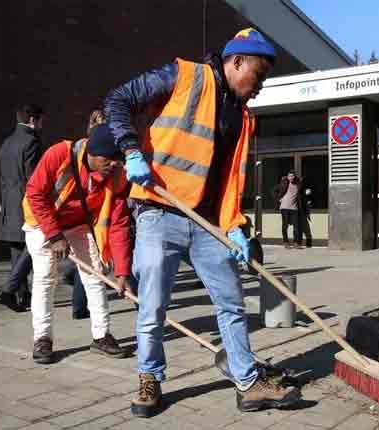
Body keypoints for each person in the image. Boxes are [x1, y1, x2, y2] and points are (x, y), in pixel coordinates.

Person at [105, 28, 301, 417]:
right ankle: (149, 379)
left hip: (207, 222)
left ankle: (247, 383)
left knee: (231, 302)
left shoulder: (243, 117)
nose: (260, 86)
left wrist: (234, 226)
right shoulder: (184, 76)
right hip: (159, 209)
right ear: (236, 61)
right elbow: (117, 100)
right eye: (258, 76)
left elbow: (230, 179)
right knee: (154, 304)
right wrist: (130, 149)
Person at [22, 124, 132, 364]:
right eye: (109, 158)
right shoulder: (59, 154)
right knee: (45, 278)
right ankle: (43, 338)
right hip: (41, 222)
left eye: (118, 158)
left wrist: (122, 272)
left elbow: (118, 224)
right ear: (91, 153)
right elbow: (35, 193)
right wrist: (54, 235)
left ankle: (101, 336)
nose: (114, 163)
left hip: (77, 224)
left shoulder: (117, 176)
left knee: (95, 274)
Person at [0, 104, 44, 312]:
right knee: (34, 245)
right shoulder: (31, 142)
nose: (42, 124)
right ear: (33, 120)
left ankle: (22, 296)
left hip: (8, 203)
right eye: (41, 120)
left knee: (18, 248)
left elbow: (4, 177)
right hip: (26, 203)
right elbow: (33, 178)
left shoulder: (6, 143)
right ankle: (11, 289)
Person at [67, 108, 111, 321]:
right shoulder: (72, 154)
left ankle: (99, 329)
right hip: (70, 221)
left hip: (87, 221)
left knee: (91, 269)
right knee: (45, 278)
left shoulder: (109, 168)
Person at [273, 170, 305, 249]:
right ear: (287, 177)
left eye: (292, 176)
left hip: (294, 208)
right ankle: (286, 242)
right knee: (285, 225)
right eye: (290, 176)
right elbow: (273, 190)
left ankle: (296, 243)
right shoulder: (284, 184)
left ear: (294, 177)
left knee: (296, 226)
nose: (291, 178)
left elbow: (302, 193)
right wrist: (278, 199)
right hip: (284, 208)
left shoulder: (298, 185)